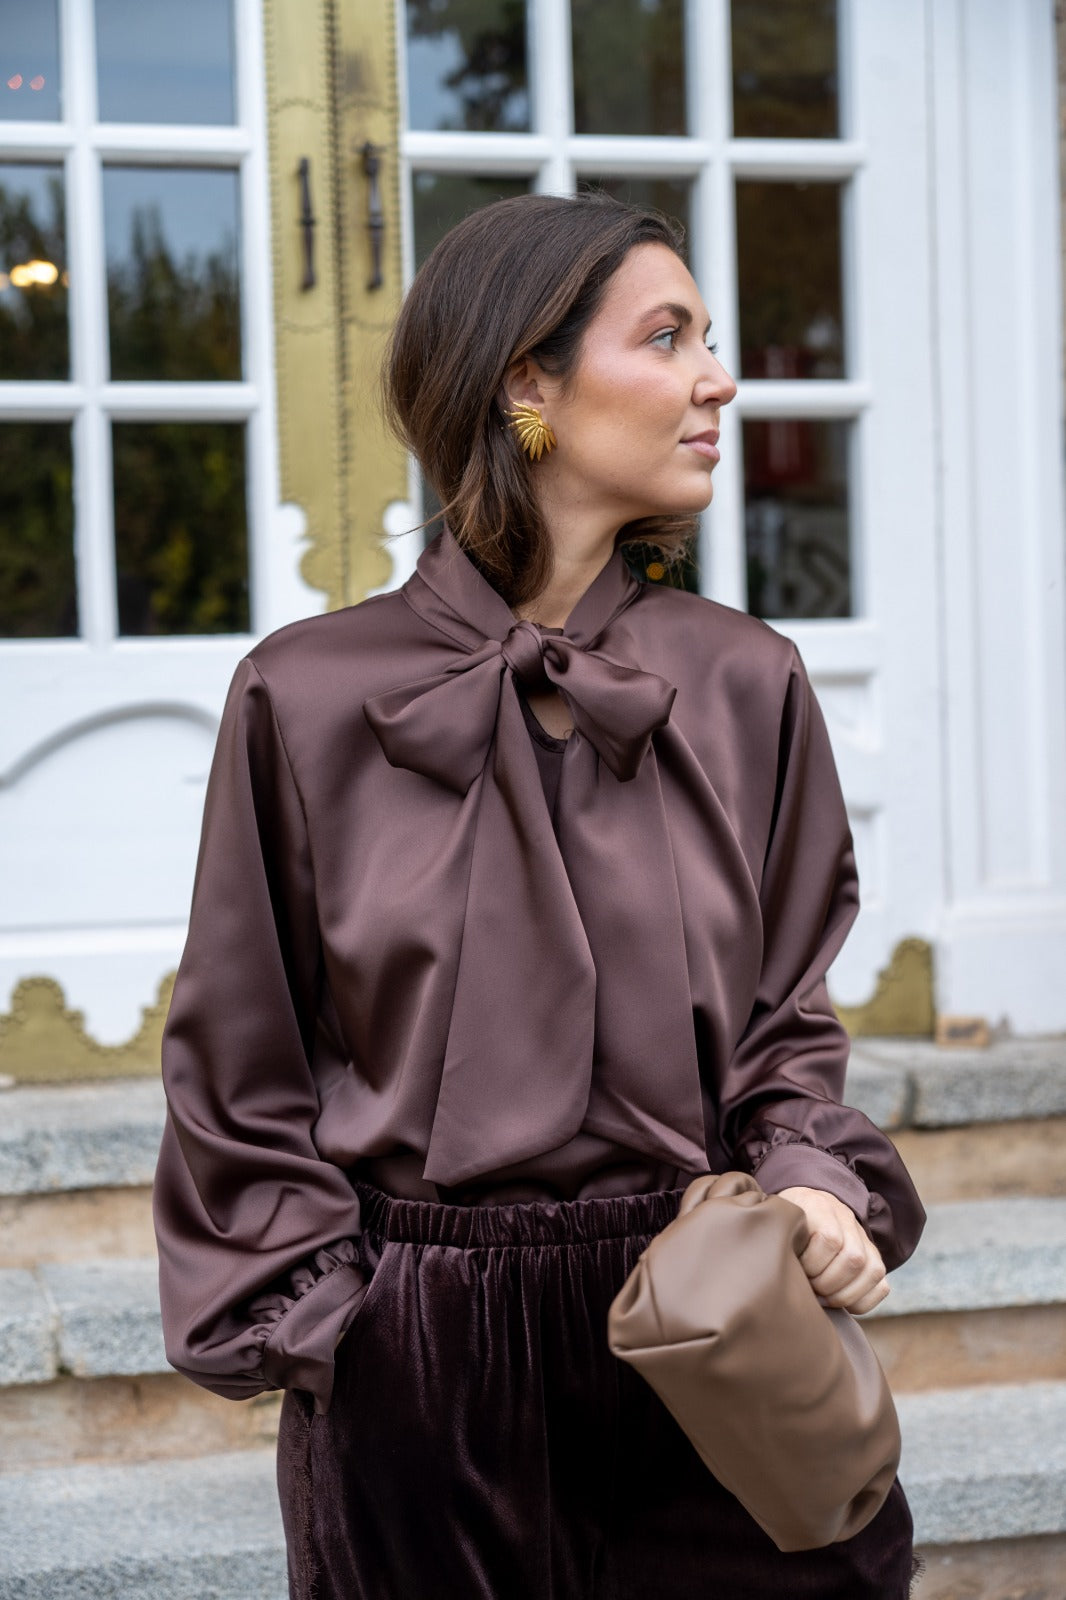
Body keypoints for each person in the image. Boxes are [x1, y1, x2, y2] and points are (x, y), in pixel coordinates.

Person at [154, 193, 925, 1599]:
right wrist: (343, 1329)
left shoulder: (745, 682)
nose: (719, 379)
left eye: (707, 338)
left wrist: (812, 1188)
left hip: (712, 1313)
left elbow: (785, 1023)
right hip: (419, 1353)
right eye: (668, 337)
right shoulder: (303, 697)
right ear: (528, 384)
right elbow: (239, 1057)